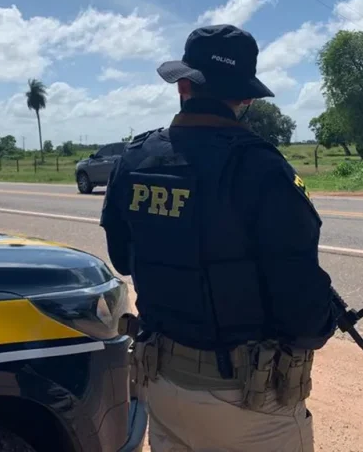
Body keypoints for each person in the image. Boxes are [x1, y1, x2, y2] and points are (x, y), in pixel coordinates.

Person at [100, 24, 340, 452]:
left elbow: (123, 258)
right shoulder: (263, 167)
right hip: (247, 400)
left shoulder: (133, 160)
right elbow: (302, 307)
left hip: (163, 382)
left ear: (184, 86)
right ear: (244, 97)